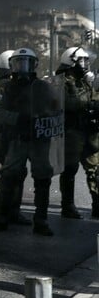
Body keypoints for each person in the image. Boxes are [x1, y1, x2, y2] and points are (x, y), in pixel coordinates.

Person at [0, 48, 60, 236]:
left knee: (43, 178)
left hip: (39, 140)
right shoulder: (5, 87)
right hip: (18, 139)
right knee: (9, 175)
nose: (22, 67)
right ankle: (2, 216)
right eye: (18, 62)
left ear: (34, 64)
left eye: (26, 62)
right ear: (12, 65)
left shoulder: (43, 87)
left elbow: (57, 110)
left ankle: (41, 220)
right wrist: (19, 118)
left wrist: (46, 117)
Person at [0, 50, 31, 225]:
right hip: (4, 135)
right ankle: (5, 212)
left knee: (14, 173)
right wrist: (19, 118)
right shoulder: (3, 85)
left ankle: (2, 208)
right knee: (12, 173)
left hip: (11, 134)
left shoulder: (12, 84)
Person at [55, 46, 99, 219]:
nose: (85, 64)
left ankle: (97, 204)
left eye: (86, 60)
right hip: (71, 132)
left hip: (88, 131)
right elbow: (66, 103)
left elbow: (93, 96)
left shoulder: (85, 82)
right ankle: (68, 206)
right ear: (71, 62)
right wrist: (88, 104)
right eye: (82, 60)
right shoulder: (61, 82)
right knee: (69, 169)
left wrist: (95, 103)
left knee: (95, 168)